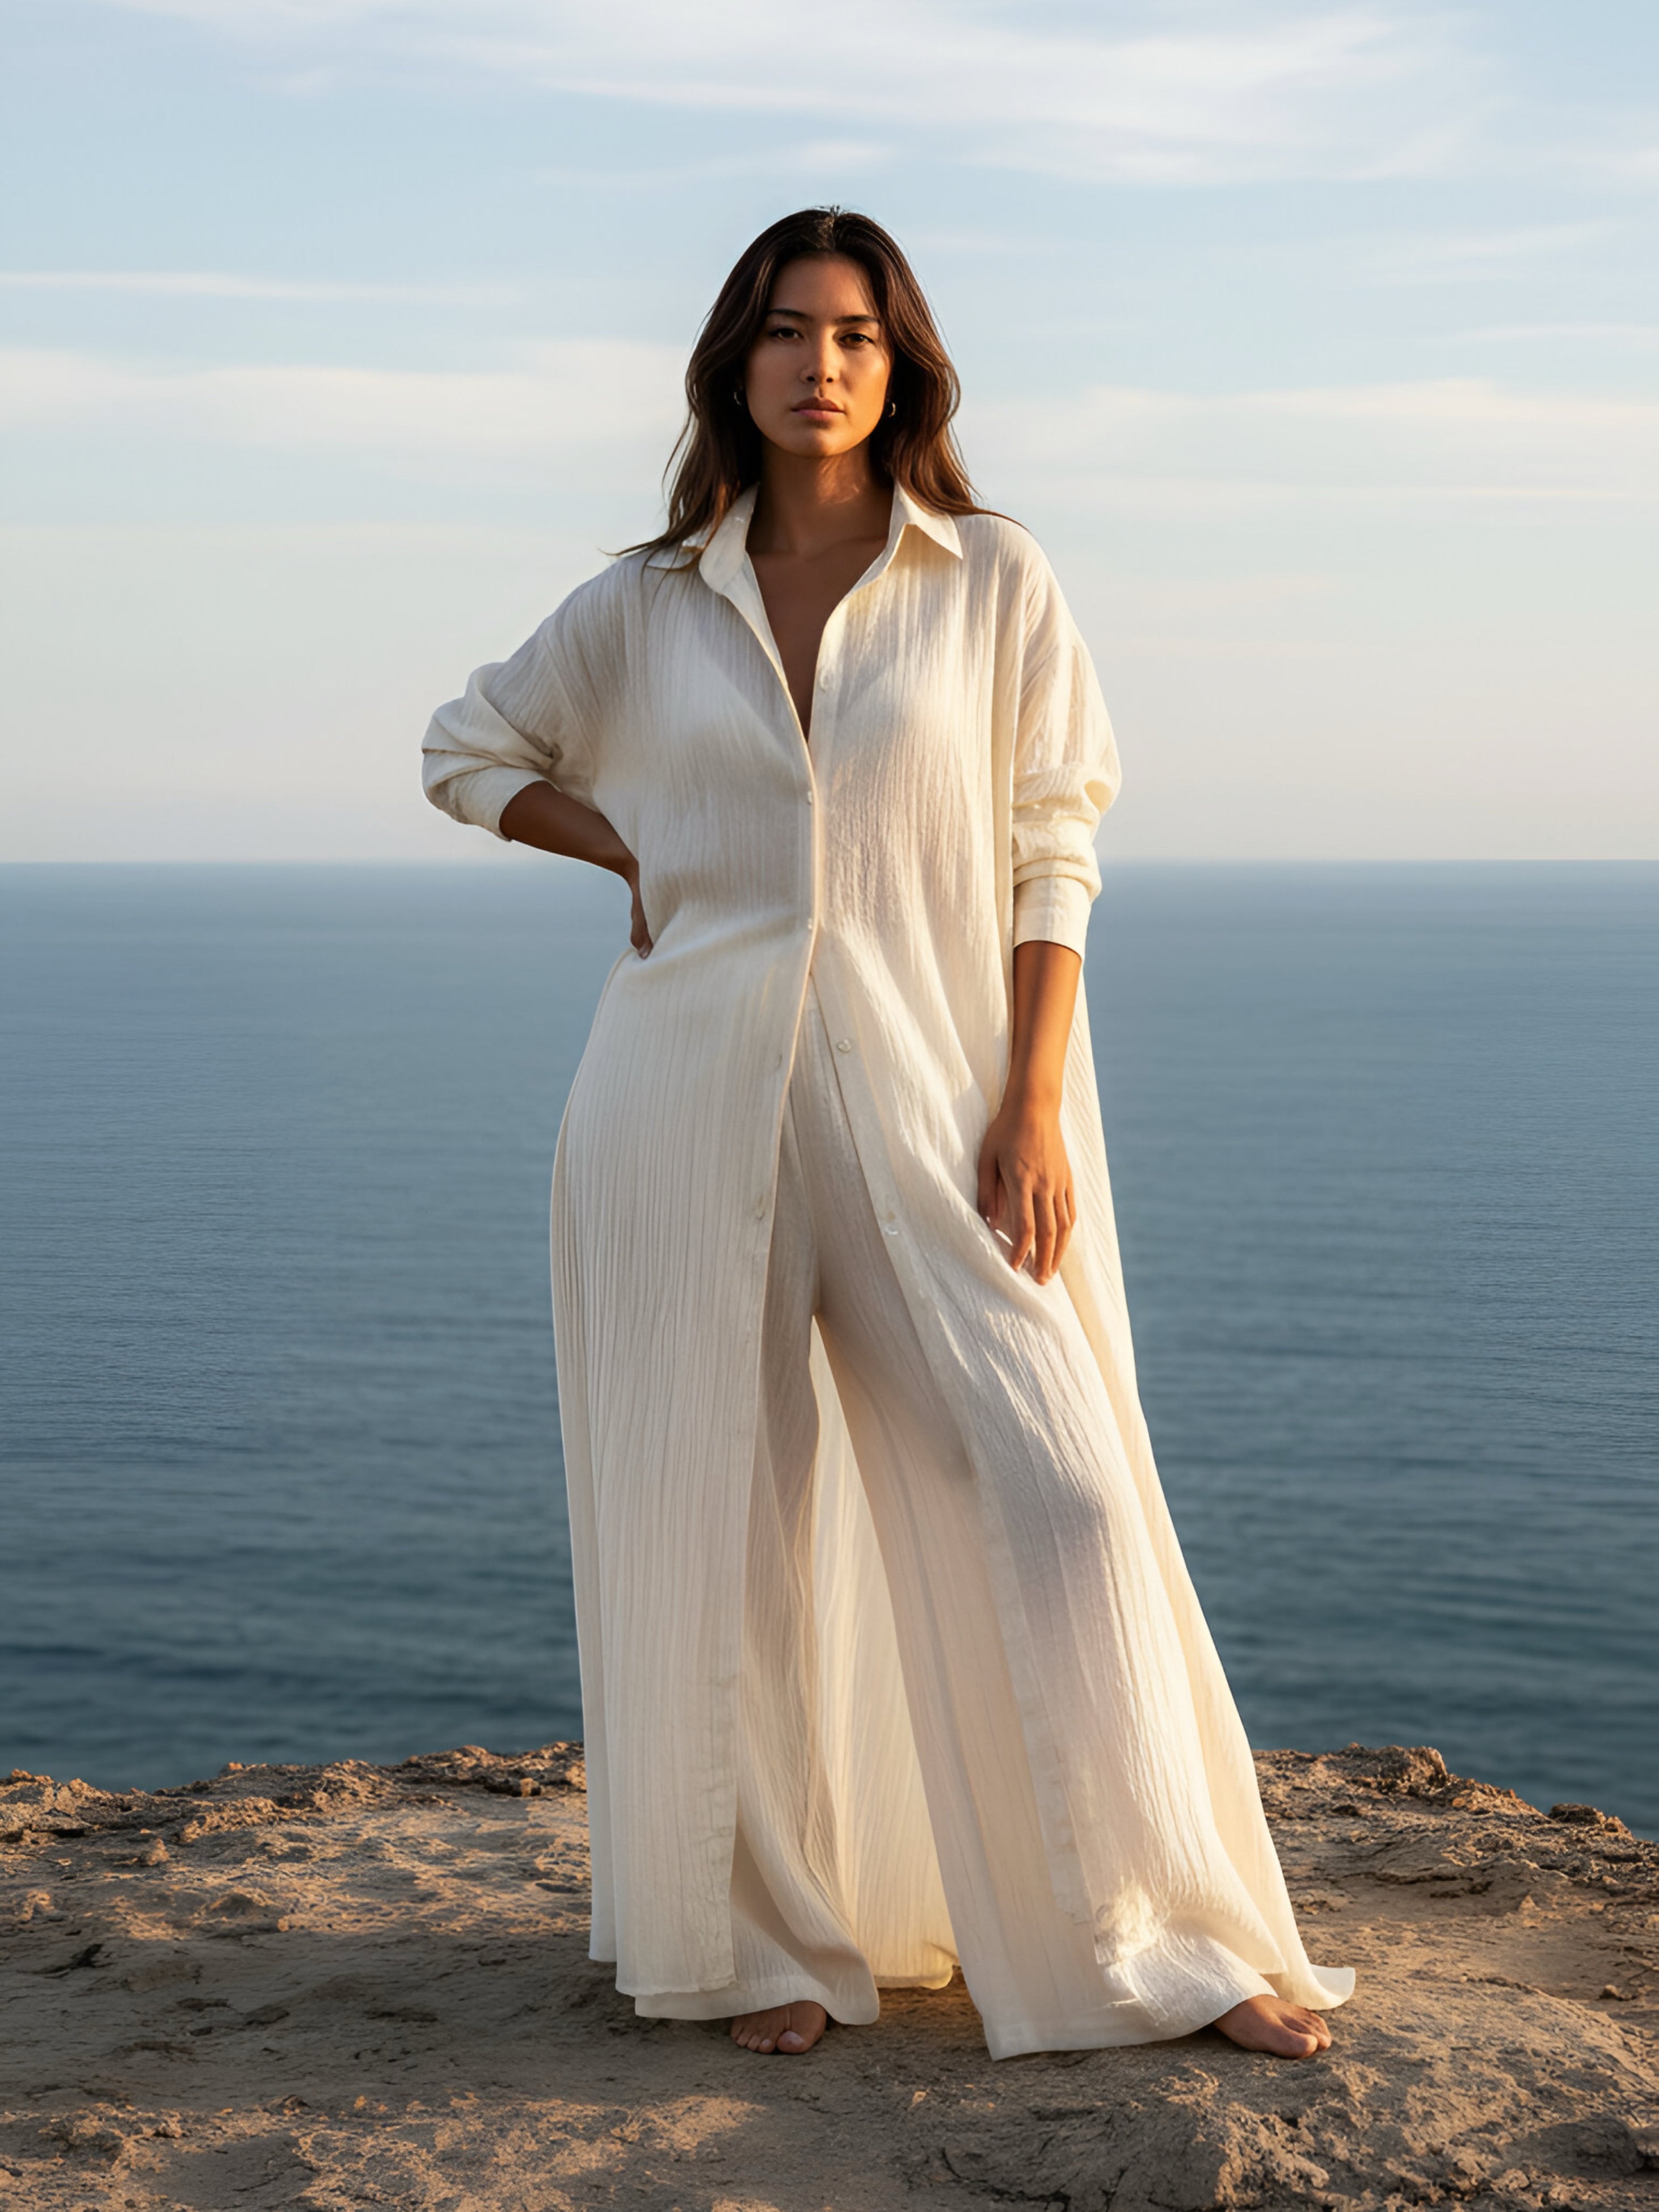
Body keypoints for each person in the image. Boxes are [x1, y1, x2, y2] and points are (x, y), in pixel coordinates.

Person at [422, 208, 1353, 2064]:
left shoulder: (990, 576)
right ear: (732, 364)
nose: (818, 362)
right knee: (721, 1518)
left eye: (852, 332)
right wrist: (626, 846)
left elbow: (1050, 839)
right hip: (681, 1104)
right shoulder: (640, 601)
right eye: (782, 330)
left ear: (901, 363)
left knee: (1062, 1491)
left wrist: (1028, 1097)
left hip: (941, 1104)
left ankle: (1158, 1935)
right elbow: (462, 745)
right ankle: (755, 1942)